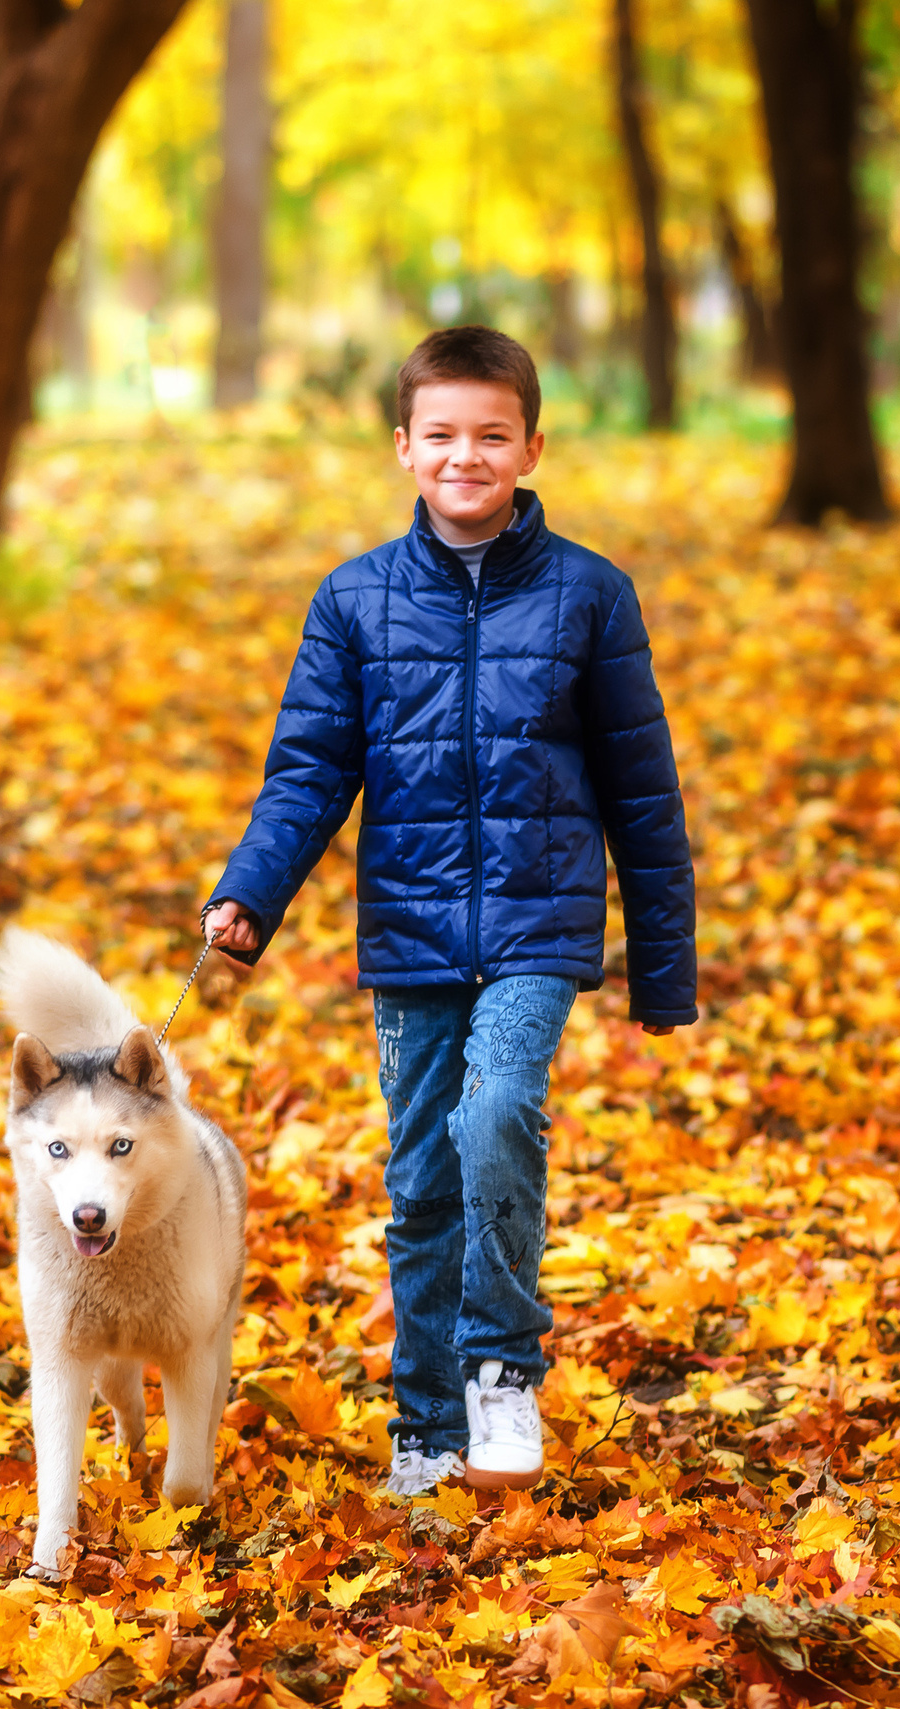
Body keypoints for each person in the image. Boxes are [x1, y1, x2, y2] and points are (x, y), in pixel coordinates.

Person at [200, 325, 697, 1495]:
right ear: (402, 448)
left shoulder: (589, 595)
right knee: (421, 1177)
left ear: (532, 446)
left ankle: (501, 1373)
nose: (464, 456)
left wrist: (661, 969)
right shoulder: (355, 600)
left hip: (538, 920)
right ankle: (423, 1427)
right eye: (440, 435)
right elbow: (309, 774)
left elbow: (642, 787)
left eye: (490, 435)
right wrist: (247, 895)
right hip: (412, 929)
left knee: (497, 1113)